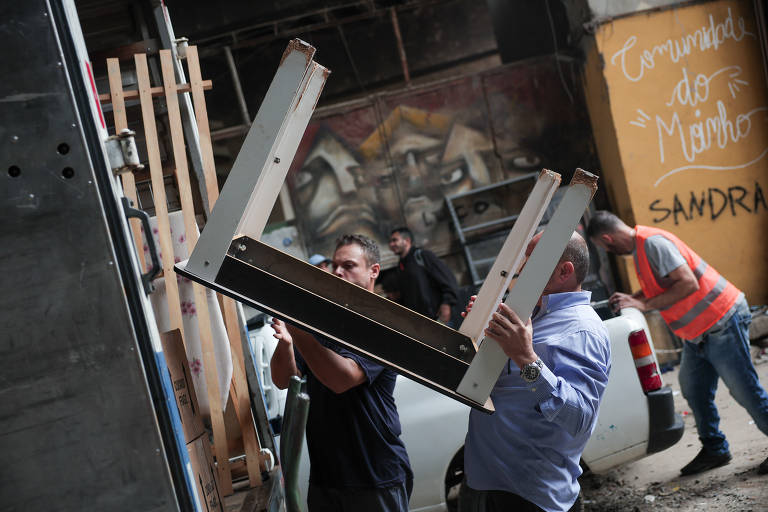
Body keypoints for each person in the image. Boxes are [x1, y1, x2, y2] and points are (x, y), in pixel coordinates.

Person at [586, 210, 768, 476]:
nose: (607, 252)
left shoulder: (653, 244)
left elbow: (687, 283)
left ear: (607, 239)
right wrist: (634, 298)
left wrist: (644, 304)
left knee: (745, 390)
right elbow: (663, 286)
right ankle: (715, 448)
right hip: (698, 333)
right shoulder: (641, 249)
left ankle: (716, 446)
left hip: (721, 322)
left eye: (604, 247)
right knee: (693, 389)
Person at [461, 232, 611, 512]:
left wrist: (525, 357)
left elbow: (579, 418)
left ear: (564, 271)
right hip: (490, 480)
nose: (521, 268)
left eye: (531, 260)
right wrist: (482, 332)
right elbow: (503, 385)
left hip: (532, 492)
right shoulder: (531, 314)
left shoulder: (582, 330)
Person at [270, 234, 413, 511]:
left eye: (348, 266)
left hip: (373, 477)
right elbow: (283, 380)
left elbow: (341, 379)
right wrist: (287, 343)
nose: (337, 272)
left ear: (373, 271)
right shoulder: (319, 323)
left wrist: (297, 327)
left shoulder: (383, 325)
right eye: (335, 265)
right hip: (326, 479)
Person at [388, 227, 459, 325]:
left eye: (395, 240)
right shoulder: (401, 266)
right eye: (390, 242)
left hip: (440, 320)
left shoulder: (423, 256)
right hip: (421, 324)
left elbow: (449, 280)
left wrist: (447, 304)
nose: (391, 244)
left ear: (407, 241)